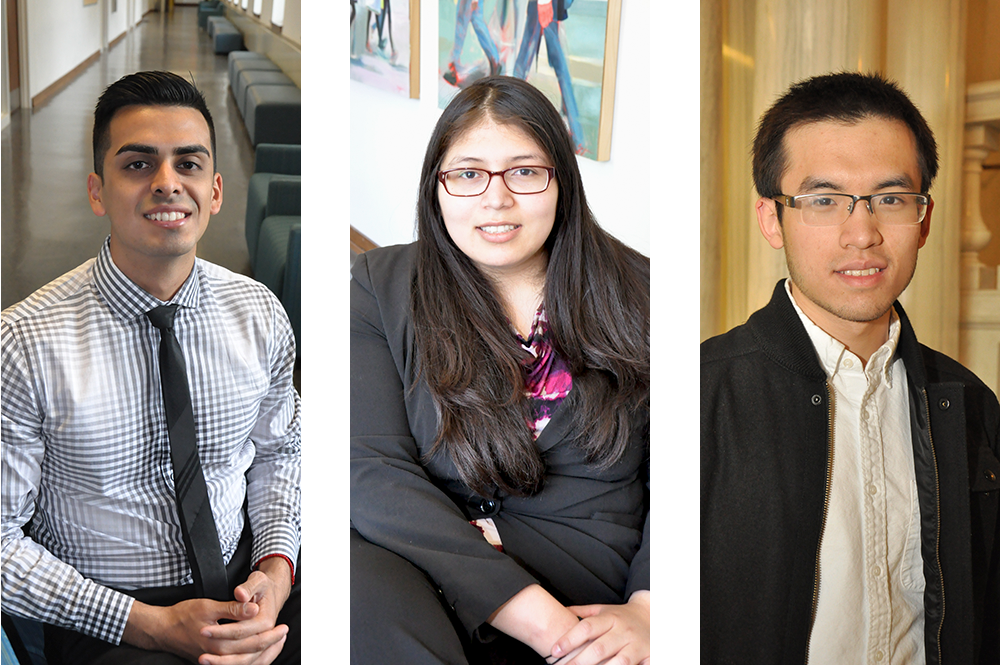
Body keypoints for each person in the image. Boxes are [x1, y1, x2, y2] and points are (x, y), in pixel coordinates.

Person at [0, 71, 301, 665]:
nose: (168, 184)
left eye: (188, 165)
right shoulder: (24, 342)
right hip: (107, 614)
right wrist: (150, 625)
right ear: (97, 190)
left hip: (248, 586)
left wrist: (277, 568)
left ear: (215, 191)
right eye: (138, 165)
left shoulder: (260, 312)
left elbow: (280, 453)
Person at [701, 71, 1000, 664]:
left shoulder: (968, 402)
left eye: (890, 199)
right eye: (824, 201)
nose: (861, 233)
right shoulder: (700, 393)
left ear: (925, 218)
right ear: (770, 219)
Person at [351, 75, 650, 665]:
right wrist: (545, 627)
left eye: (524, 171)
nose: (496, 199)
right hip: (429, 556)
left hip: (591, 580)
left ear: (561, 179)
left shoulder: (643, 291)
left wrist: (651, 607)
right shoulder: (379, 288)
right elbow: (370, 467)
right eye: (467, 174)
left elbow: (688, 475)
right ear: (436, 187)